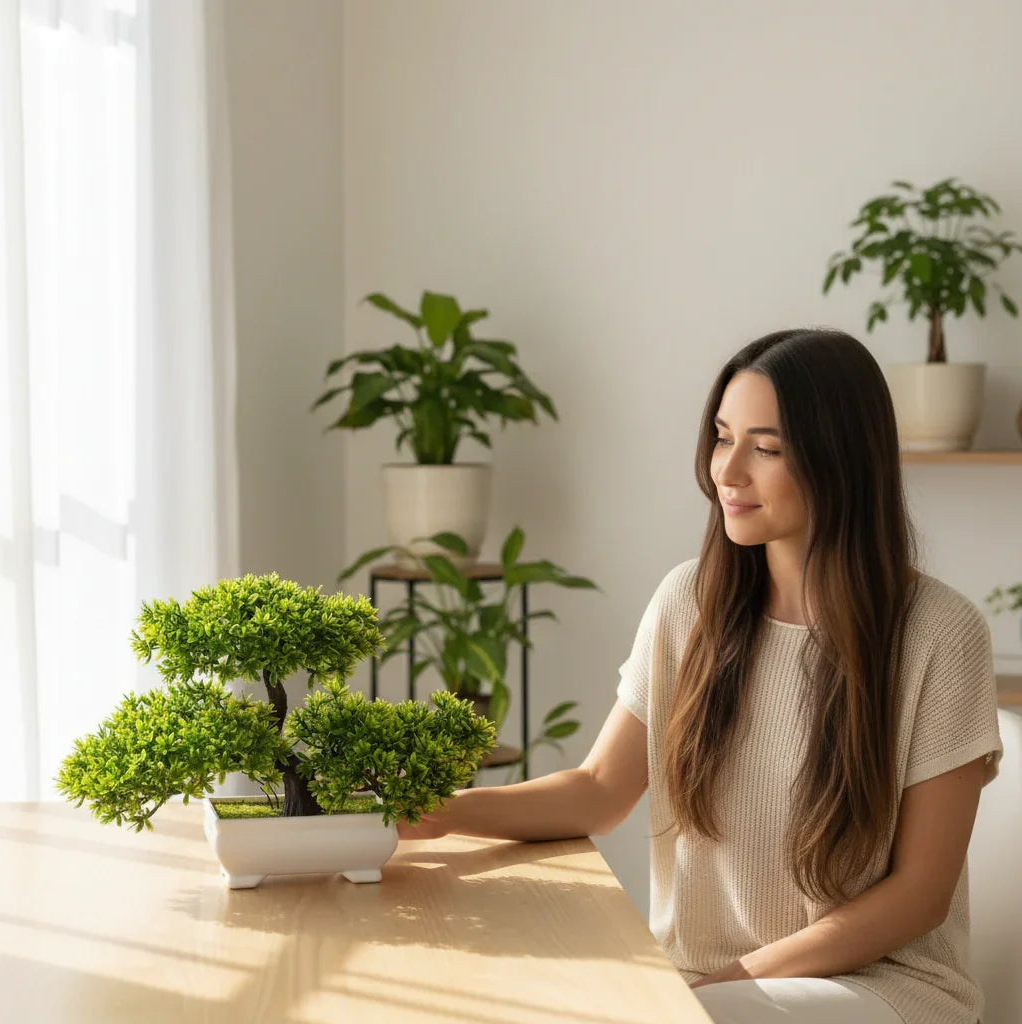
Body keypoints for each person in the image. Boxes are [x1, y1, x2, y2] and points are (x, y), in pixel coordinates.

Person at [396, 328, 1003, 1024]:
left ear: (841, 461)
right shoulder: (690, 603)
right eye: (722, 437)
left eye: (766, 448)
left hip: (883, 990)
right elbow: (598, 791)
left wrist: (721, 986)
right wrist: (434, 812)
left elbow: (920, 894)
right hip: (708, 987)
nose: (728, 471)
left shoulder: (938, 633)